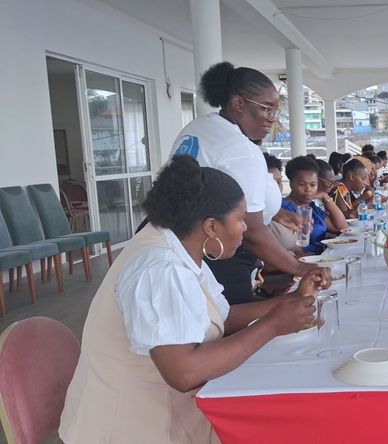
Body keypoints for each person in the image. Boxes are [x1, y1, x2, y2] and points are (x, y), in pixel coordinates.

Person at [60, 156, 327, 443]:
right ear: (211, 227)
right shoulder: (160, 268)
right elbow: (183, 372)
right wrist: (272, 325)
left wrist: (290, 302)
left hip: (166, 414)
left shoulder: (178, 245)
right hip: (129, 428)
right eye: (240, 220)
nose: (245, 228)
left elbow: (220, 316)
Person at [171, 61, 317, 305]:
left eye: (275, 112)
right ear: (238, 103)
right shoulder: (239, 149)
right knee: (230, 329)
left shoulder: (198, 128)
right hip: (221, 256)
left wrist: (276, 213)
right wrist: (299, 268)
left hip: (186, 248)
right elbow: (252, 232)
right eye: (266, 109)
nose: (272, 119)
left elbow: (223, 195)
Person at [281, 157, 348, 255]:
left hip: (322, 256)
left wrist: (326, 198)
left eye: (313, 185)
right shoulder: (282, 208)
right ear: (291, 184)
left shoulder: (311, 207)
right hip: (301, 262)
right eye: (302, 184)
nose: (308, 189)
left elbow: (342, 227)